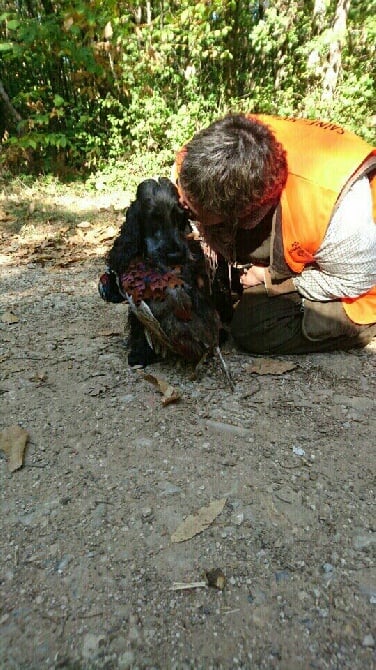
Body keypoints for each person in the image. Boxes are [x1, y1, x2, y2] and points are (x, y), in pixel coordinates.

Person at [171, 113, 376, 354]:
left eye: (191, 210)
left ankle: (363, 325)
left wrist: (270, 279)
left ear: (244, 215)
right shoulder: (205, 153)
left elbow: (357, 281)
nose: (180, 204)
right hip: (316, 239)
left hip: (360, 277)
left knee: (252, 326)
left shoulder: (340, 218)